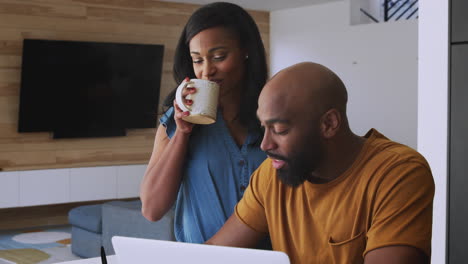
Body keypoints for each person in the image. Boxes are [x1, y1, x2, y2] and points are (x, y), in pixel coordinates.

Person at [206, 62, 435, 264]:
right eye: (263, 127)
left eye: (279, 130)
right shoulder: (272, 174)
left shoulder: (399, 173)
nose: (265, 145)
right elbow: (214, 253)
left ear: (329, 123)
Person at [140, 2, 268, 244]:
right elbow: (152, 209)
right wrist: (182, 134)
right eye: (197, 60)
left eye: (219, 57)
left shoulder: (273, 117)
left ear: (246, 51)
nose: (207, 71)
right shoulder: (174, 121)